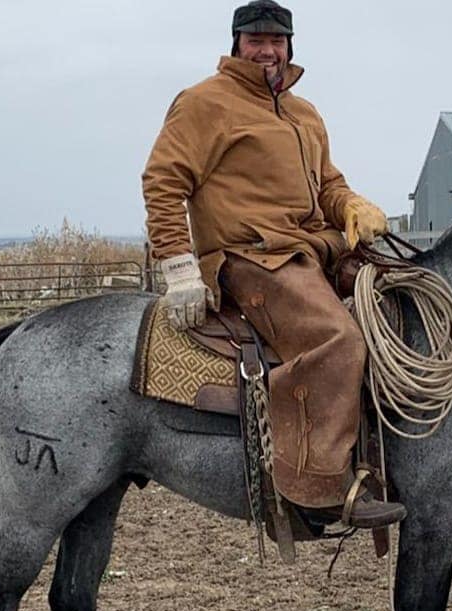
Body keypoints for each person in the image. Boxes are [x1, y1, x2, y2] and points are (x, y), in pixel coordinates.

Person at [142, 0, 406, 529]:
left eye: (277, 41)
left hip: (312, 249)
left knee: (403, 298)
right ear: (236, 44)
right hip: (252, 257)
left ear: (290, 47)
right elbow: (163, 180)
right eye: (255, 40)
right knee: (338, 340)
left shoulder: (303, 112)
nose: (267, 50)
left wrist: (351, 205)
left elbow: (327, 185)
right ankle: (322, 486)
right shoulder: (203, 103)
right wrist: (178, 266)